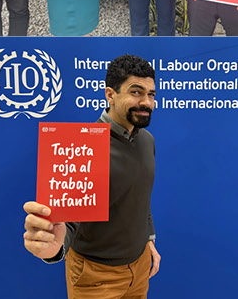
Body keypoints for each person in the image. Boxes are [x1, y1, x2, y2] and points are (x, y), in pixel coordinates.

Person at [23, 55, 162, 296]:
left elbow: (140, 196)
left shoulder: (146, 140)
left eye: (151, 94)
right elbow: (68, 221)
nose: (146, 102)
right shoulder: (83, 147)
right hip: (95, 277)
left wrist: (148, 238)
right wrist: (54, 249)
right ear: (110, 94)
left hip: (140, 269)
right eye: (136, 92)